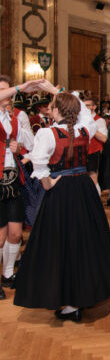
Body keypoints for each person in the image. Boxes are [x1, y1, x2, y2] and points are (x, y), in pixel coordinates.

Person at [14, 81, 110, 322]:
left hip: (62, 191)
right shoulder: (84, 129)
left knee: (59, 244)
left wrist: (48, 184)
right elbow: (85, 114)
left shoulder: (48, 133)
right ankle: (81, 297)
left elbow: (41, 166)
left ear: (56, 111)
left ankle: (67, 300)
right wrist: (58, 93)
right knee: (84, 241)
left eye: (53, 106)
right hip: (83, 188)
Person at [0, 77, 41, 300]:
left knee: (15, 233)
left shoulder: (15, 118)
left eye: (8, 91)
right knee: (0, 234)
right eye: (2, 91)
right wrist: (20, 87)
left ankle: (7, 274)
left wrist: (19, 146)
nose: (6, 94)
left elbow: (33, 144)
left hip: (14, 179)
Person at [84, 97, 108, 195]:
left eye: (88, 105)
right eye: (84, 106)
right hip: (81, 151)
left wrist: (91, 127)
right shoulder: (80, 120)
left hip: (93, 151)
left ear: (94, 107)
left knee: (92, 176)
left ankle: (96, 200)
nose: (85, 108)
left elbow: (104, 138)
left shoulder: (99, 120)